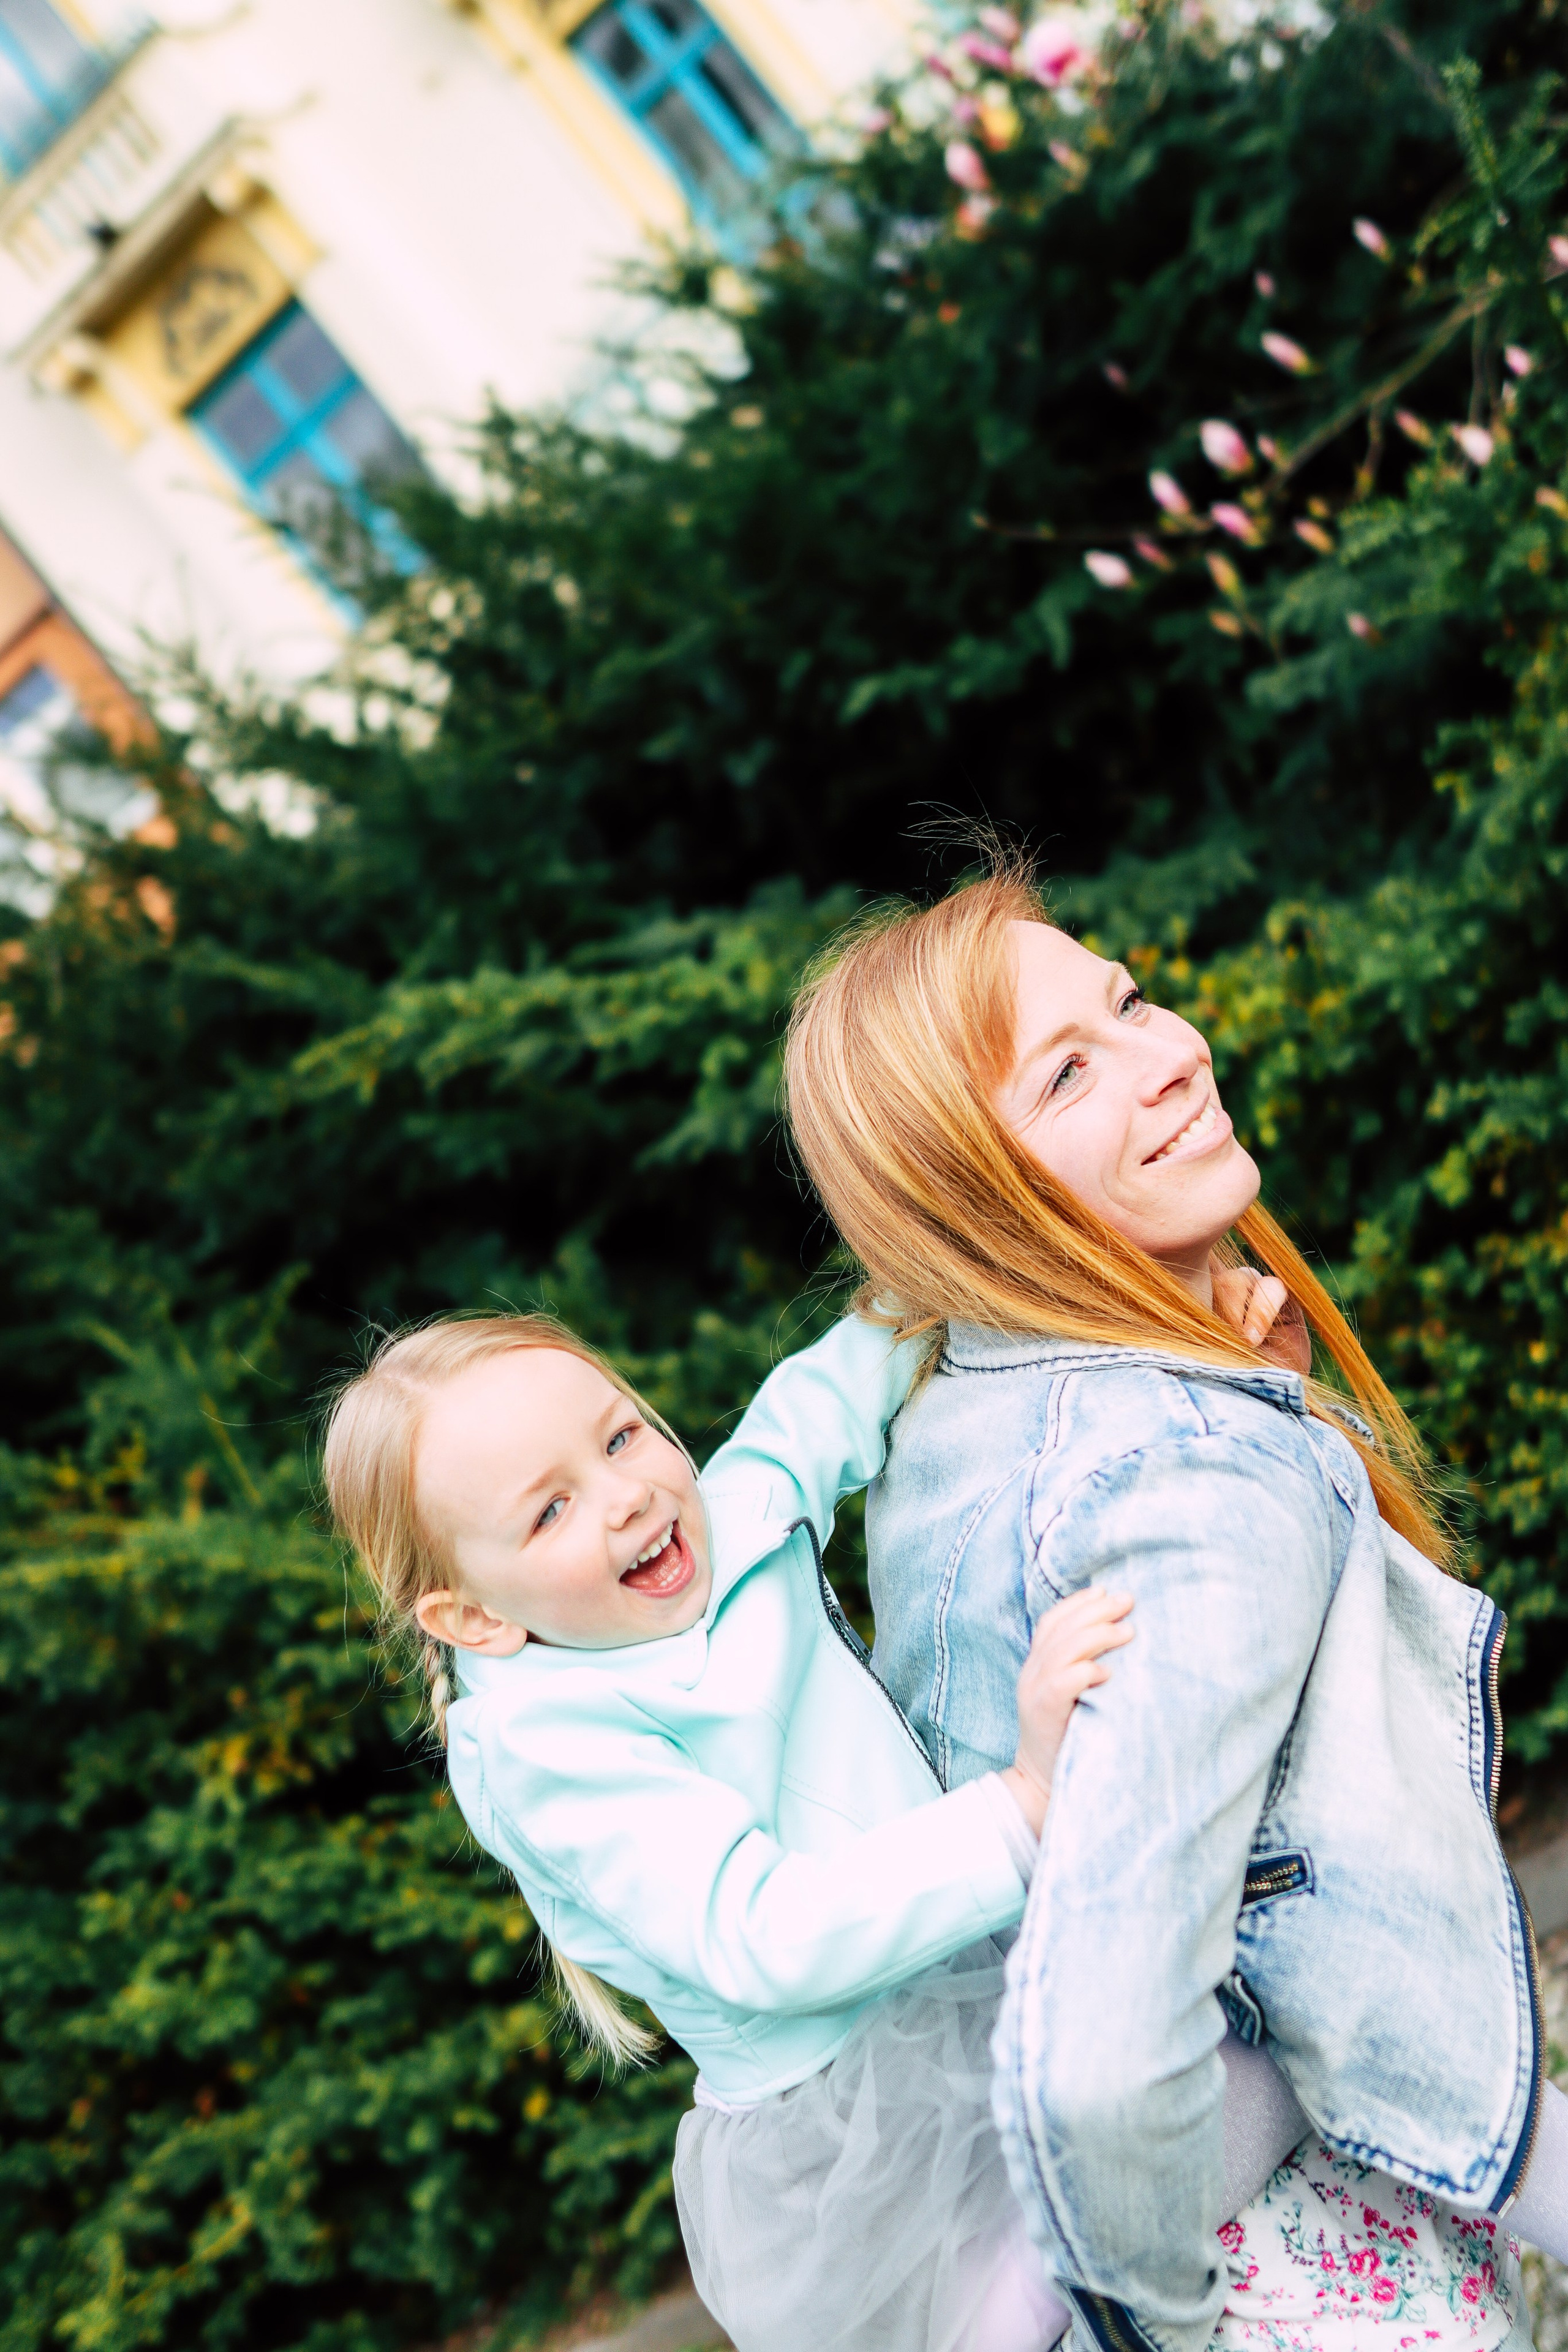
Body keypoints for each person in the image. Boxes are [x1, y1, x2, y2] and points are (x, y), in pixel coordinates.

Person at [783, 861, 1568, 2352]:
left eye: (1126, 1003)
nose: (1170, 1054)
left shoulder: (950, 1424)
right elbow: (1093, 2065)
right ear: (968, 1194)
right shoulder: (1188, 1481)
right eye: (1069, 1072)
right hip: (1317, 2280)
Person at [322, 1306, 1314, 2352]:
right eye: (549, 1512)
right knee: (1021, 2301)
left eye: (619, 1436)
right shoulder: (553, 1756)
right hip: (857, 2119)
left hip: (972, 1955)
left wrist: (1047, 1286)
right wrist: (1024, 1801)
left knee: (1222, 2107)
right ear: (474, 1619)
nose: (626, 1498)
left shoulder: (729, 1508)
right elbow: (766, 1936)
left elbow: (844, 1379)